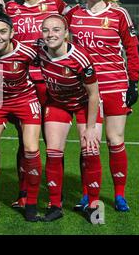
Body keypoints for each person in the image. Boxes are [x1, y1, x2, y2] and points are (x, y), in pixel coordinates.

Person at [65, 0, 139, 212]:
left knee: (115, 139)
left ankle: (120, 196)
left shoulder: (119, 14)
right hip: (87, 91)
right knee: (90, 142)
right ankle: (88, 193)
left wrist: (133, 82)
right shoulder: (72, 14)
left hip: (115, 85)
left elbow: (131, 49)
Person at [5, 0, 68, 208]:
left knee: (53, 141)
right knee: (26, 141)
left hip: (51, 82)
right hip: (23, 83)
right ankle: (23, 192)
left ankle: (57, 192)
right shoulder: (10, 9)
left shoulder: (57, 5)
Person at [0, 3, 42, 222]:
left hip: (25, 100)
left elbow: (45, 71)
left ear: (12, 33)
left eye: (3, 31)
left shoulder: (27, 52)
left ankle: (30, 204)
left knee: (31, 148)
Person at [37, 15, 103, 223]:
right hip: (58, 104)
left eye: (56, 30)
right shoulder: (39, 52)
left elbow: (94, 94)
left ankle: (93, 205)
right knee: (53, 151)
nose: (51, 34)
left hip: (85, 104)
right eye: (46, 30)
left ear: (66, 33)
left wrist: (90, 128)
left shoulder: (80, 58)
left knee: (90, 150)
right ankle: (55, 205)